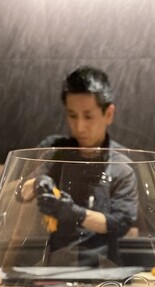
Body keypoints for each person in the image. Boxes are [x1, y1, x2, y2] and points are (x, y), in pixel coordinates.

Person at [15, 66, 138, 267]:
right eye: (72, 115)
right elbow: (21, 193)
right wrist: (38, 183)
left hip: (103, 268)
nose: (79, 127)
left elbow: (120, 223)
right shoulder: (56, 152)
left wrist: (75, 214)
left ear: (108, 114)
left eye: (88, 116)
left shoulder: (121, 165)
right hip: (56, 267)